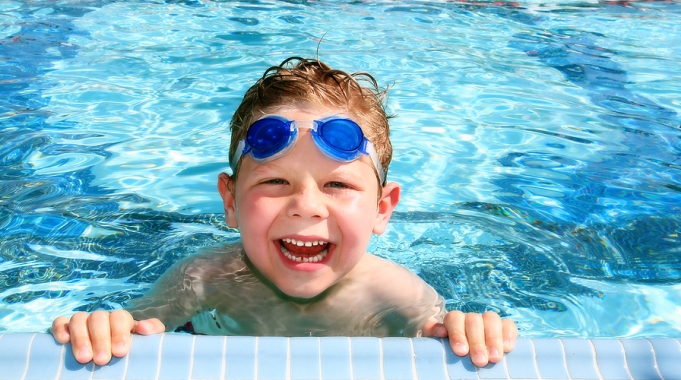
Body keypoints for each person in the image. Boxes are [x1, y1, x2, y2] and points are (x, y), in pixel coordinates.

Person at [51, 57, 517, 368]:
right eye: (275, 182)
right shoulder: (203, 277)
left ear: (382, 208)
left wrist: (470, 330)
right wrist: (105, 327)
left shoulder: (394, 293)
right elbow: (134, 328)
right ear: (230, 201)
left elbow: (442, 341)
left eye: (337, 184)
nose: (306, 207)